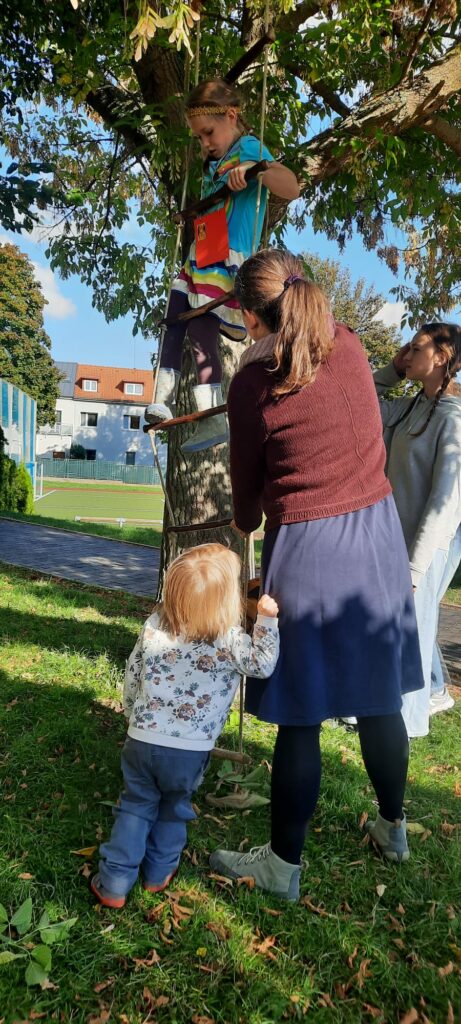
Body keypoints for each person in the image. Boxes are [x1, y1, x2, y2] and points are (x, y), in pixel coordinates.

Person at [209, 249, 424, 902]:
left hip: (307, 544)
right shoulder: (350, 346)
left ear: (250, 318)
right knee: (380, 697)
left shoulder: (253, 385)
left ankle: (282, 867)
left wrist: (243, 520)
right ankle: (393, 829)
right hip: (378, 539)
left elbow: (247, 501)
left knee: (299, 715)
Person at [90, 542, 279, 908]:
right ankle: (159, 873)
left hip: (141, 739)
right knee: (174, 806)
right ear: (227, 600)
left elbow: (134, 670)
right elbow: (262, 664)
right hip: (189, 751)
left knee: (136, 805)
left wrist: (131, 712)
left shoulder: (156, 625)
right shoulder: (229, 639)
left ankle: (114, 881)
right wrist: (267, 621)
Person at [145, 78, 299, 454]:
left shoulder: (248, 147)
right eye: (199, 137)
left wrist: (255, 169)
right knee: (174, 321)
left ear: (231, 116)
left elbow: (290, 186)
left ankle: (212, 416)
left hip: (224, 259)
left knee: (201, 332)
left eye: (208, 133)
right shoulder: (210, 166)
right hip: (199, 256)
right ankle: (160, 398)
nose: (205, 143)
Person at [372, 326, 461, 737]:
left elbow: (446, 503)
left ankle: (404, 730)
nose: (406, 354)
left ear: (442, 357)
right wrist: (392, 370)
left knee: (414, 638)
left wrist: (414, 568)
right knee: (391, 633)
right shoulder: (411, 408)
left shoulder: (453, 420)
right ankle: (385, 715)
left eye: (416, 348)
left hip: (421, 550)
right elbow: (361, 403)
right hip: (392, 540)